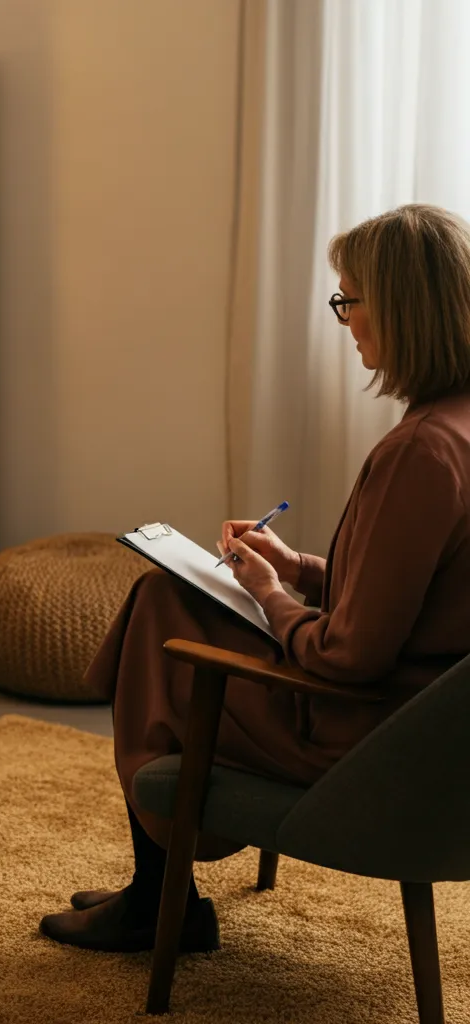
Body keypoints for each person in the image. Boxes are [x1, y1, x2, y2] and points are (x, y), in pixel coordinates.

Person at [39, 202, 470, 953]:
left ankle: (157, 900)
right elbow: (426, 597)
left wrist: (270, 596)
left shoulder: (421, 452)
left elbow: (350, 657)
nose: (345, 322)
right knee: (169, 601)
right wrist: (300, 569)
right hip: (432, 724)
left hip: (364, 730)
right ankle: (156, 891)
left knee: (159, 608)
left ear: (400, 308)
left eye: (351, 301)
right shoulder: (458, 428)